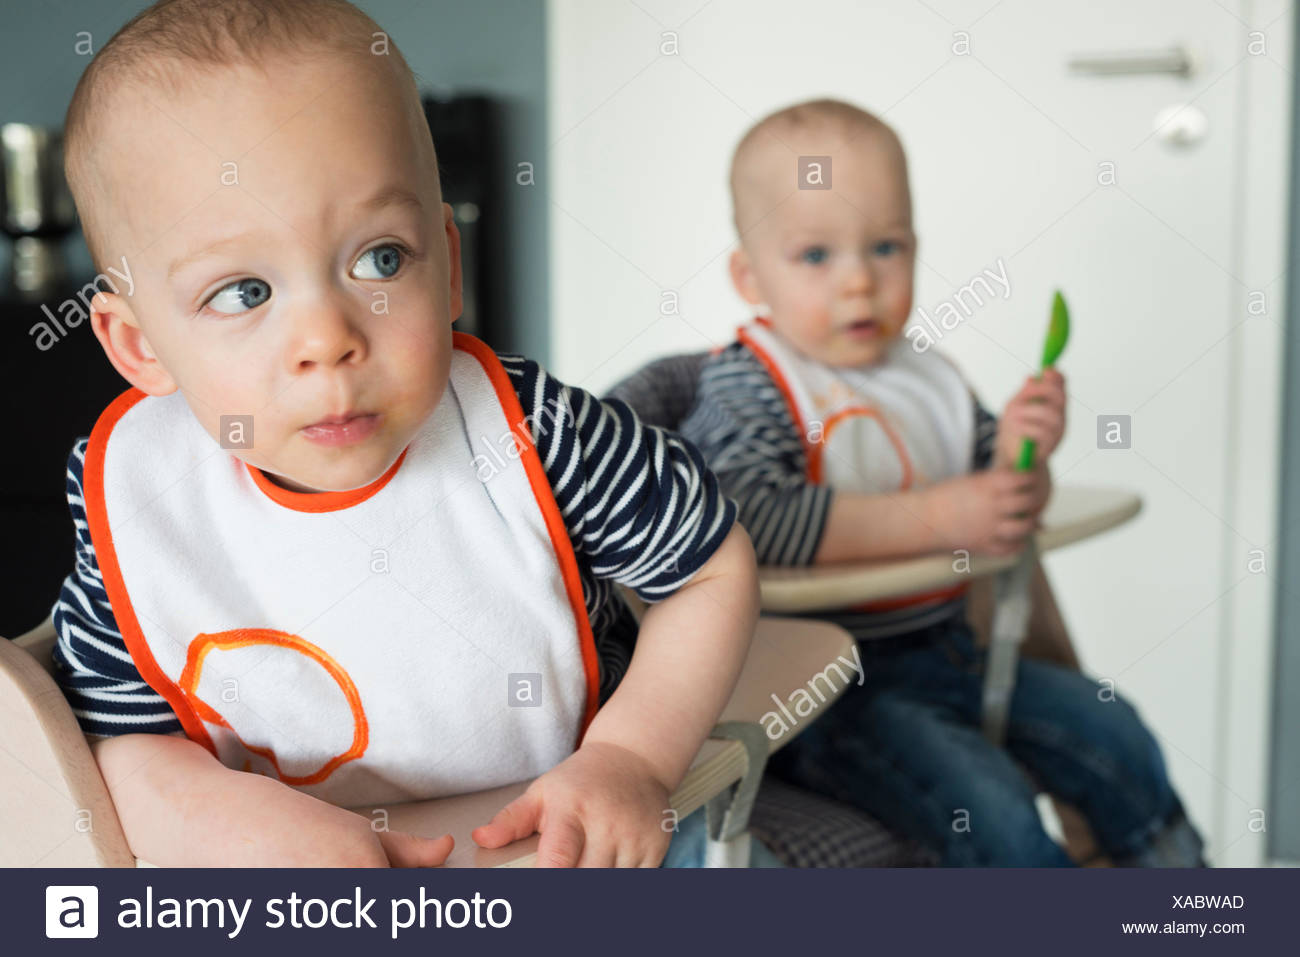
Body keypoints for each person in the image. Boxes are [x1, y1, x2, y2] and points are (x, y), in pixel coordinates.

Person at [49, 0, 773, 869]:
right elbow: (114, 735)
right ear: (139, 346)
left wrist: (631, 758)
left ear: (448, 262)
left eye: (380, 259)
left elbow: (707, 565)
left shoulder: (532, 436)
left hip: (571, 840)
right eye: (242, 292)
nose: (327, 339)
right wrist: (232, 822)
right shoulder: (145, 497)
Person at [679, 97, 1205, 866]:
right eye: (817, 256)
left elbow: (1001, 499)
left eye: (885, 247)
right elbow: (748, 518)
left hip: (956, 653)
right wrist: (940, 520)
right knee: (992, 808)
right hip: (831, 696)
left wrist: (1027, 455)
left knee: (1115, 735)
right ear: (748, 275)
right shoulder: (749, 386)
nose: (859, 281)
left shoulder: (929, 378)